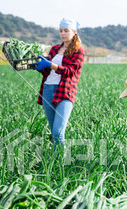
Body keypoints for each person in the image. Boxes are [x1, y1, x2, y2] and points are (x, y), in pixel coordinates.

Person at [33, 18, 85, 149]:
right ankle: (55, 159)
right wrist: (41, 68)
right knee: (53, 132)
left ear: (74, 32)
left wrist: (51, 64)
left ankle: (61, 162)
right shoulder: (54, 49)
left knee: (58, 132)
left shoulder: (79, 52)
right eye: (61, 31)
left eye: (66, 31)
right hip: (48, 90)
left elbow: (70, 71)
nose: (62, 33)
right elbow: (48, 72)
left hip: (65, 92)